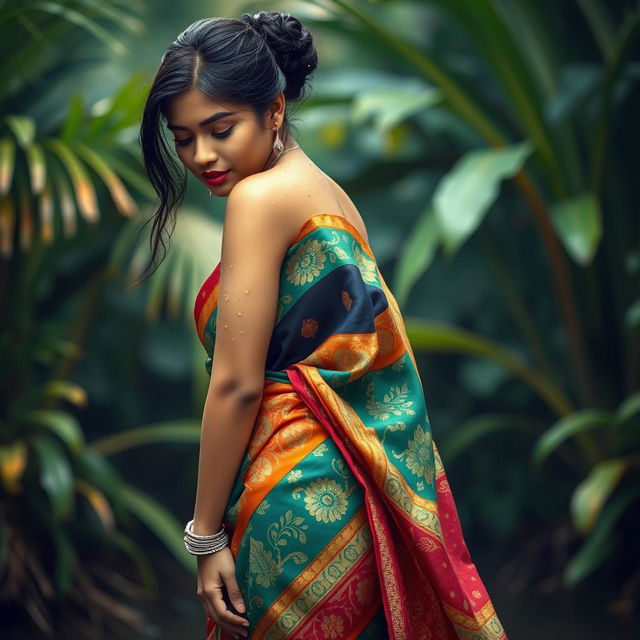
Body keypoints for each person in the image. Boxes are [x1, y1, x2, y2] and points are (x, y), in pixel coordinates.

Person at [139, 10, 508, 640]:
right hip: (356, 494)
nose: (201, 155)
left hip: (295, 489)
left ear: (274, 110)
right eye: (183, 137)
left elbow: (236, 385)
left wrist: (203, 538)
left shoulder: (260, 199)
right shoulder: (331, 195)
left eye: (220, 129)